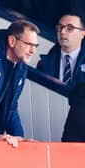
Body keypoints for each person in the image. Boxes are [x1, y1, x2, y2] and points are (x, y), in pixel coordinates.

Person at [37, 12, 85, 141]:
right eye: (60, 27)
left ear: (82, 33)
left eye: (69, 28)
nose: (63, 32)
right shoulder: (44, 64)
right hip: (47, 129)